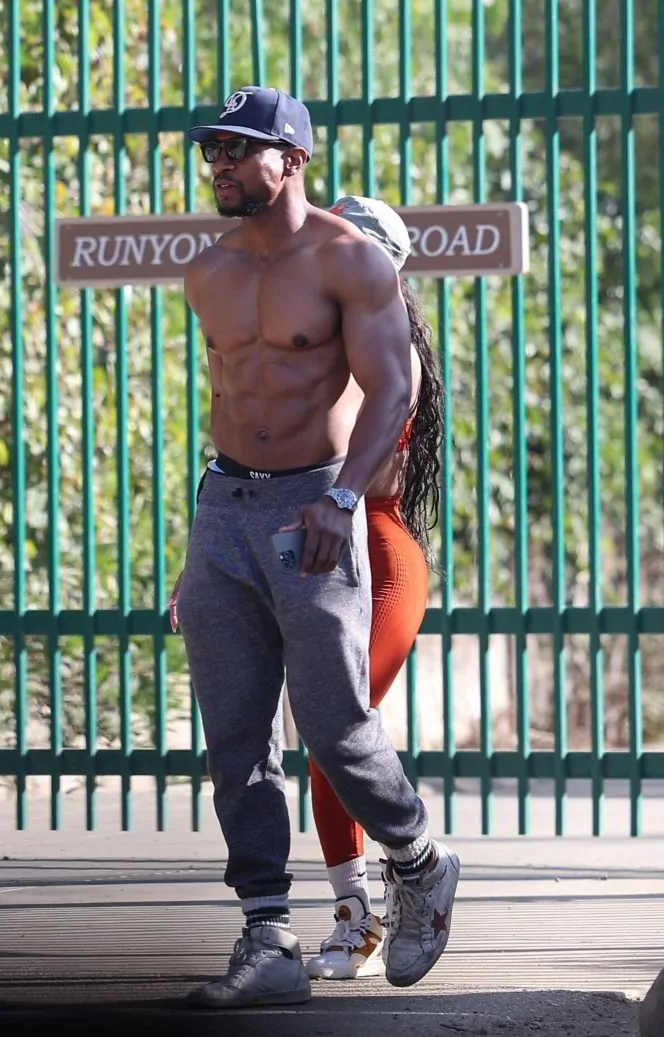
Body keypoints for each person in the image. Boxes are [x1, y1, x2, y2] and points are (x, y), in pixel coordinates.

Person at [173, 85, 460, 1009]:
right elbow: (228, 401)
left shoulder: (350, 263)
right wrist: (203, 544)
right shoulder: (208, 270)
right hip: (227, 502)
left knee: (333, 721)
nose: (219, 163)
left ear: (292, 158)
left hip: (314, 500)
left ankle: (417, 858)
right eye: (212, 149)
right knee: (235, 734)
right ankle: (269, 934)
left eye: (237, 148)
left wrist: (340, 495)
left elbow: (392, 390)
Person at [303, 196, 445, 981]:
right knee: (323, 735)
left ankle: (417, 870)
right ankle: (355, 914)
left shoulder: (388, 350)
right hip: (325, 550)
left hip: (382, 554)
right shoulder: (323, 341)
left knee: (340, 723)